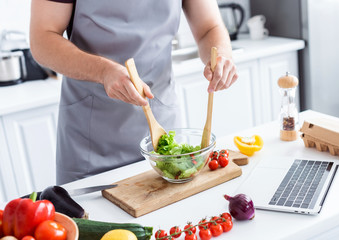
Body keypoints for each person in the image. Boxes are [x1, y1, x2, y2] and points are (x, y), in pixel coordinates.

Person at [30, 0, 238, 184]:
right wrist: (103, 71)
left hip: (161, 123)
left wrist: (221, 56)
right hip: (91, 138)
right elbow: (42, 39)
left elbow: (209, 27)